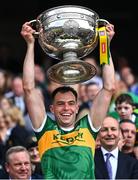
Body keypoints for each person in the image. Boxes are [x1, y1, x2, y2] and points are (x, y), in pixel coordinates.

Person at [20, 21, 115, 179]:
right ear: (52, 109)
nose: (66, 108)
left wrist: (105, 43)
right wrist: (30, 45)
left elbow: (109, 87)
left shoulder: (88, 128)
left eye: (71, 104)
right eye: (60, 104)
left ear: (77, 108)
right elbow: (28, 88)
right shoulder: (45, 130)